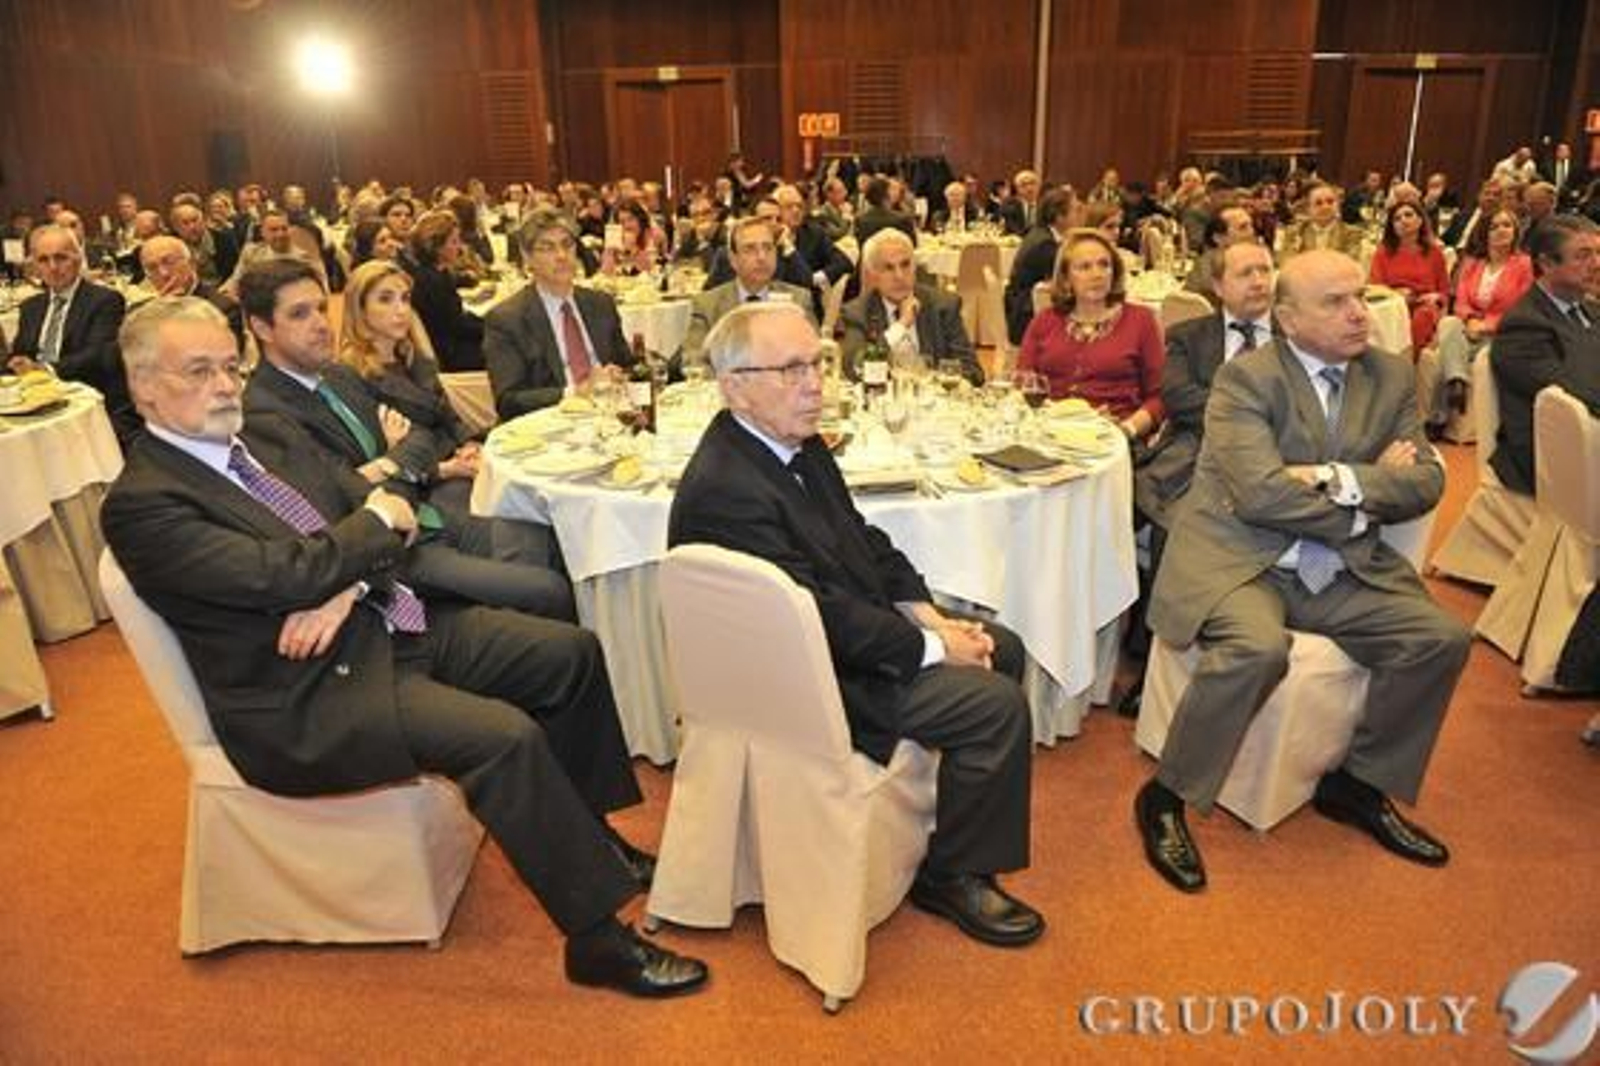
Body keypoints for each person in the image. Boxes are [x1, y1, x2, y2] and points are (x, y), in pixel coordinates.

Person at [103, 296, 707, 998]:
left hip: (383, 617)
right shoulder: (144, 501)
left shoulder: (263, 435)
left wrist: (344, 583)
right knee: (503, 738)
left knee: (567, 653)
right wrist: (360, 539)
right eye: (198, 371)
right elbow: (288, 569)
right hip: (308, 690)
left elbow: (381, 509)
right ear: (143, 385)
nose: (225, 386)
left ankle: (593, 833)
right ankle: (597, 941)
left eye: (230, 367)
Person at [668, 301, 1045, 948]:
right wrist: (931, 647)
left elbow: (863, 541)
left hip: (835, 637)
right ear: (735, 387)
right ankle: (955, 876)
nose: (815, 383)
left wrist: (928, 615)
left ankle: (952, 826)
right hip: (804, 678)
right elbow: (816, 617)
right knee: (996, 706)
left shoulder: (793, 441)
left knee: (1000, 647)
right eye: (791, 369)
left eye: (817, 363)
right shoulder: (728, 488)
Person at [1135, 250, 1471, 894]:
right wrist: (1364, 502)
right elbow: (1259, 495)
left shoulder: (1390, 375)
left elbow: (1427, 481)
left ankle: (1358, 783)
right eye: (1335, 302)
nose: (1357, 314)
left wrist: (1332, 477)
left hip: (1337, 569)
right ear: (1287, 318)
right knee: (1258, 649)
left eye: (1361, 297)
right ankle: (1166, 796)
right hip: (1243, 558)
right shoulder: (1246, 380)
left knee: (1441, 639)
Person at [239, 257, 572, 620]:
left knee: (551, 538)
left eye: (321, 308)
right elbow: (342, 500)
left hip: (430, 512)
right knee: (546, 589)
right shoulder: (262, 412)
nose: (320, 323)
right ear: (262, 328)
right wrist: (394, 459)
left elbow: (419, 439)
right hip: (395, 551)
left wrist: (384, 465)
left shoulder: (335, 375)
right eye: (300, 314)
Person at [1135, 240, 1276, 533]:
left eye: (1265, 270)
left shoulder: (1297, 335)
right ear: (1219, 286)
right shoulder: (1188, 336)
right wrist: (1254, 413)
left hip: (1275, 454)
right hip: (1195, 452)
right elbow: (1178, 399)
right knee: (1177, 523)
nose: (1259, 281)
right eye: (1245, 273)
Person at [338, 260, 487, 519]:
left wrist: (469, 444)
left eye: (405, 299)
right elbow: (377, 460)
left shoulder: (417, 359)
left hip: (455, 463)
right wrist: (445, 468)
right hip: (417, 490)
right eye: (386, 299)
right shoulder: (350, 375)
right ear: (360, 310)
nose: (401, 310)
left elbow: (450, 418)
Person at [1017, 230, 1165, 444]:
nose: (1097, 274)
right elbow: (1023, 385)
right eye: (1084, 267)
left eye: (1104, 265)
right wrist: (1054, 418)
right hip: (1049, 435)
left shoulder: (1141, 320)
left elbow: (1159, 397)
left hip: (1114, 437)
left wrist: (1126, 430)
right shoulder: (1045, 321)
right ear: (1066, 278)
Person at [484, 208, 633, 418]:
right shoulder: (507, 319)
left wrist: (620, 374)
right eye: (547, 248)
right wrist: (575, 392)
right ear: (527, 257)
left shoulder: (601, 304)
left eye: (567, 245)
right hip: (549, 424)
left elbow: (627, 364)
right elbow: (508, 401)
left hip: (609, 415)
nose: (562, 256)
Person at [1489, 214, 1600, 495]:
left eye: (1598, 253)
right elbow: (1580, 392)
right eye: (1583, 256)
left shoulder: (1590, 309)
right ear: (1547, 263)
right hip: (1550, 456)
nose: (1597, 264)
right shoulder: (1523, 327)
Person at [6, 224, 137, 441]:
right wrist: (16, 362)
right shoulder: (30, 307)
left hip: (89, 402)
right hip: (36, 404)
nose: (53, 267)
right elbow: (22, 352)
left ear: (78, 258)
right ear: (34, 266)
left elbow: (99, 355)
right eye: (43, 260)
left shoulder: (104, 300)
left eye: (61, 258)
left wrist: (45, 369)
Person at [1415, 209, 1533, 434]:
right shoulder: (1473, 264)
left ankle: (1438, 418)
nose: (1501, 231)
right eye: (1494, 227)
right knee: (1449, 323)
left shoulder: (1524, 265)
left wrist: (1487, 325)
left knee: (1448, 351)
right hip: (1468, 329)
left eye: (1507, 225)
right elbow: (1459, 300)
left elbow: (1522, 308)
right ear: (1484, 233)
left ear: (1516, 231)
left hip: (1501, 334)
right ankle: (1457, 381)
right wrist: (1469, 320)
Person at [838, 229, 981, 384]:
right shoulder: (857, 311)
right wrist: (901, 326)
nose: (899, 276)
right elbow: (854, 369)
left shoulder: (943, 306)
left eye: (905, 265)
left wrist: (936, 385)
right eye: (889, 268)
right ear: (873, 274)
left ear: (915, 267)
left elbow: (972, 371)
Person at [682, 216, 816, 367]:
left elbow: (814, 357)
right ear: (733, 260)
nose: (761, 257)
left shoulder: (798, 300)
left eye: (768, 248)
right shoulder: (707, 305)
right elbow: (693, 360)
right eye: (750, 249)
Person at [402, 211, 485, 372]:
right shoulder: (430, 281)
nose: (460, 247)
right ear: (436, 247)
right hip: (449, 355)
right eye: (454, 242)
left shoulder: (438, 272)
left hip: (452, 343)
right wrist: (493, 328)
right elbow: (456, 326)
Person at [1367, 201, 1449, 352]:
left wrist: (1436, 297)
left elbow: (1444, 291)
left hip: (1424, 304)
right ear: (1392, 226)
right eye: (1397, 219)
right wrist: (1395, 295)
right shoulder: (1383, 253)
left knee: (1423, 316)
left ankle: (1409, 364)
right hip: (1393, 305)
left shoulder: (1434, 253)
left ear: (1420, 220)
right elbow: (1375, 289)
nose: (1403, 220)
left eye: (1408, 215)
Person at [1003, 187, 1077, 344]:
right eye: (1074, 211)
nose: (1078, 217)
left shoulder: (1040, 233)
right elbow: (1065, 282)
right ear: (1059, 217)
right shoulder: (1045, 243)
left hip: (1019, 305)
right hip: (1025, 316)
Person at [139, 234, 244, 343]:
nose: (163, 273)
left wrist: (171, 316)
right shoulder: (145, 314)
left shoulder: (222, 308)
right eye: (152, 268)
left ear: (191, 263)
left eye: (169, 262)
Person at [1278, 182, 1364, 261]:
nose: (1325, 207)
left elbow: (1349, 263)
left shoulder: (1351, 233)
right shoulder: (1295, 232)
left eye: (1330, 202)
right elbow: (1287, 262)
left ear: (1338, 206)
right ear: (1308, 209)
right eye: (1318, 203)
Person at [998, 169, 1043, 237]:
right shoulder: (1010, 205)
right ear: (1017, 189)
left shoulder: (1046, 205)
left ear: (1039, 186)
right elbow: (1014, 230)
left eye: (1032, 183)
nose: (1029, 188)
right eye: (1024, 185)